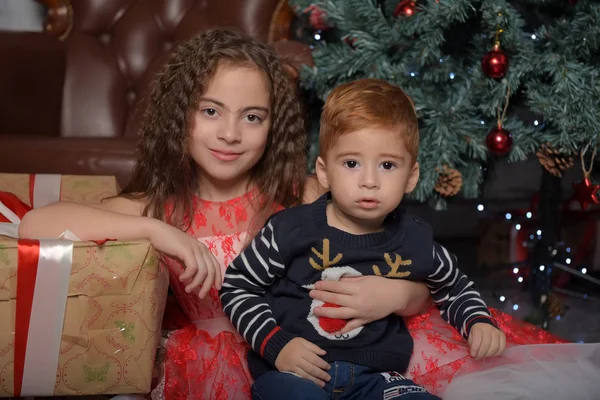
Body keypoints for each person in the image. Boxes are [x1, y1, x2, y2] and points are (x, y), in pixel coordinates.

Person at [18, 28, 430, 399]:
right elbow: (35, 224)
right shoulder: (161, 207)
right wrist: (155, 229)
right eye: (210, 111)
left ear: (273, 126)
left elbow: (418, 272)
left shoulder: (303, 197)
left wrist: (398, 295)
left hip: (315, 358)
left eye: (252, 117)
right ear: (181, 116)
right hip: (204, 368)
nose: (230, 134)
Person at [220, 78, 506, 400]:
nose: (369, 181)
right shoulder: (290, 229)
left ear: (411, 176)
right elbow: (237, 286)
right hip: (293, 374)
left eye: (387, 165)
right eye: (352, 163)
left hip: (377, 379)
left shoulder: (415, 239)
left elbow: (453, 286)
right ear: (324, 172)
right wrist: (276, 343)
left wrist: (478, 320)